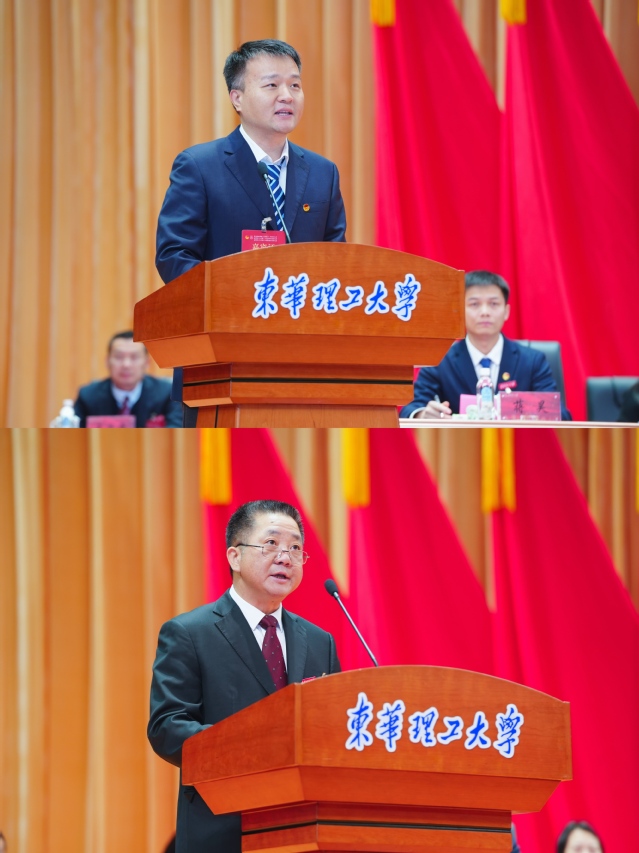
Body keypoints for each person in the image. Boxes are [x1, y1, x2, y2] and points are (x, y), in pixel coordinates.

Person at [148, 500, 341, 852]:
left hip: (301, 829)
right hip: (222, 829)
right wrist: (252, 749)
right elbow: (167, 728)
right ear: (234, 557)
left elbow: (333, 729)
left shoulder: (319, 641)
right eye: (271, 544)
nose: (285, 558)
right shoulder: (190, 633)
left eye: (295, 548)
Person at [155, 38, 347, 285]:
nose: (287, 96)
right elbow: (175, 256)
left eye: (295, 85)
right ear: (237, 98)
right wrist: (235, 295)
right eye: (272, 85)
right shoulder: (199, 167)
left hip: (301, 307)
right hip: (227, 308)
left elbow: (336, 260)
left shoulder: (323, 173)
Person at [400, 270, 571, 420]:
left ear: (506, 312)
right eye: (474, 304)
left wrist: (527, 412)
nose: (485, 312)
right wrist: (423, 414)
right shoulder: (439, 361)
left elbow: (561, 414)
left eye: (494, 304)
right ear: (459, 311)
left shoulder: (533, 361)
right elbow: (410, 410)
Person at [74, 331, 182, 427]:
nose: (126, 364)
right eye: (119, 357)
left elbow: (175, 432)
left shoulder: (167, 394)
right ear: (107, 361)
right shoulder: (88, 396)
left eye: (134, 357)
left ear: (147, 362)